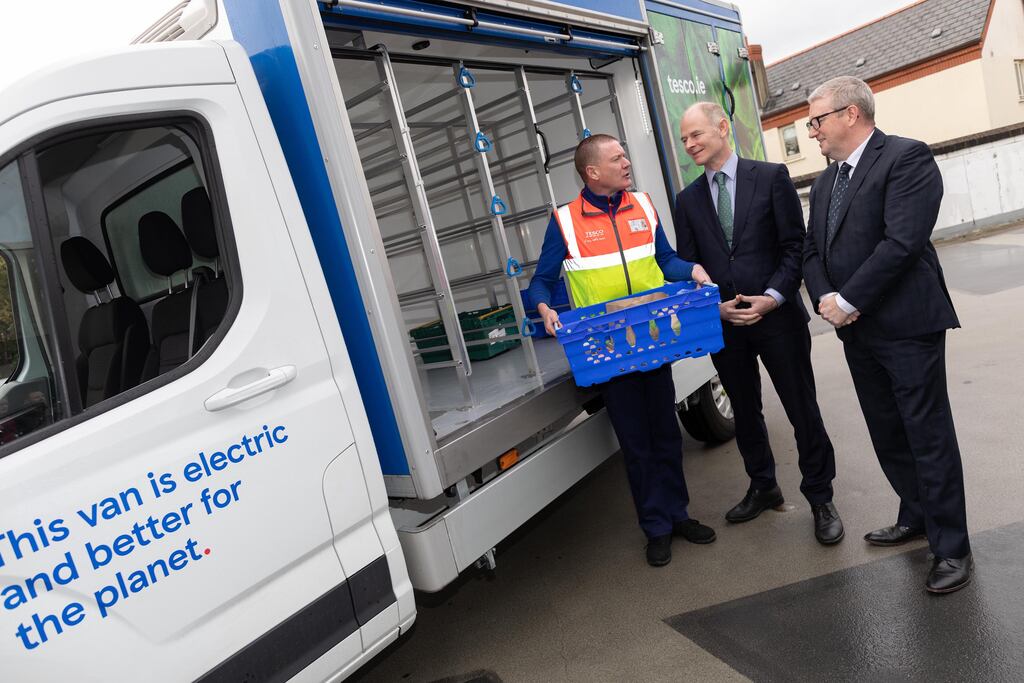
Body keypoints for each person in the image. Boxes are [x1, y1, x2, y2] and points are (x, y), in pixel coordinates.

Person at [803, 76, 971, 593]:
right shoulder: (826, 182)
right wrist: (826, 299)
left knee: (927, 435)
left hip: (907, 327)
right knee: (887, 431)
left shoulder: (906, 158)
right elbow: (811, 251)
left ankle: (951, 548)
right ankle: (915, 515)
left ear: (850, 114)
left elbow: (902, 243)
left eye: (816, 120)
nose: (812, 132)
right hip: (857, 332)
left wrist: (847, 301)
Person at [528, 133, 714, 567]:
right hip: (608, 349)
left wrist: (693, 269)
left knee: (667, 434)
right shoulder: (565, 221)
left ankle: (679, 515)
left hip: (654, 338)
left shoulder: (643, 205)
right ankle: (656, 528)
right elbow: (542, 280)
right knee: (636, 443)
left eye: (625, 156)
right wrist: (544, 308)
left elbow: (665, 260)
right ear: (593, 171)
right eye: (617, 158)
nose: (627, 162)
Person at [673, 102, 842, 545]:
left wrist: (771, 298)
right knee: (745, 413)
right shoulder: (687, 200)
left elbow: (795, 246)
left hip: (778, 318)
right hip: (726, 325)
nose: (689, 144)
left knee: (801, 408)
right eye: (684, 138)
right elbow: (688, 266)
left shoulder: (770, 177)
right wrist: (715, 309)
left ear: (722, 127)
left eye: (696, 134)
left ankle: (821, 497)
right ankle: (763, 486)